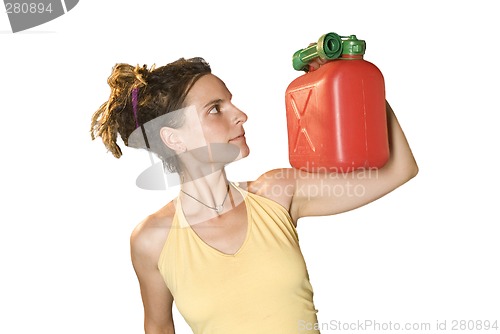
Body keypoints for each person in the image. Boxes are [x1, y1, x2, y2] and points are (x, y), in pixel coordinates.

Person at [90, 57, 418, 334]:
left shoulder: (277, 193)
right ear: (174, 139)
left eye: (230, 102)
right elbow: (159, 329)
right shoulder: (152, 240)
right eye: (215, 109)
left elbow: (399, 170)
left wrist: (357, 83)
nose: (240, 114)